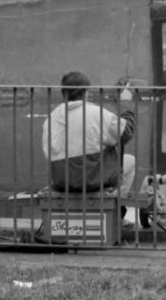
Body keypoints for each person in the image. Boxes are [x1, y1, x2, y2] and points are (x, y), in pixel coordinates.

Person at [42, 71, 137, 218]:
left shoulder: (52, 118)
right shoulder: (95, 113)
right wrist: (124, 104)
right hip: (91, 181)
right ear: (86, 91)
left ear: (63, 93)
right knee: (130, 161)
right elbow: (126, 133)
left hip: (62, 182)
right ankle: (117, 214)